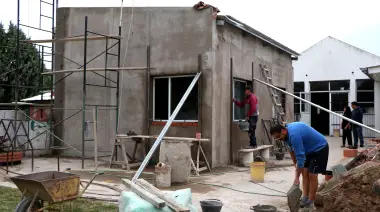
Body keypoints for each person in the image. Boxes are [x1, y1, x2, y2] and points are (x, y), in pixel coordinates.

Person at [270, 122, 329, 210]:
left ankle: (311, 202)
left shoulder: (294, 135)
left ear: (283, 131)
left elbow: (300, 157)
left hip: (319, 148)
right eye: (276, 138)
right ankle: (305, 199)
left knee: (312, 175)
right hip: (308, 150)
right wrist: (295, 165)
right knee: (304, 173)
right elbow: (291, 150)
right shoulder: (285, 135)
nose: (278, 139)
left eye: (278, 136)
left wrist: (296, 177)